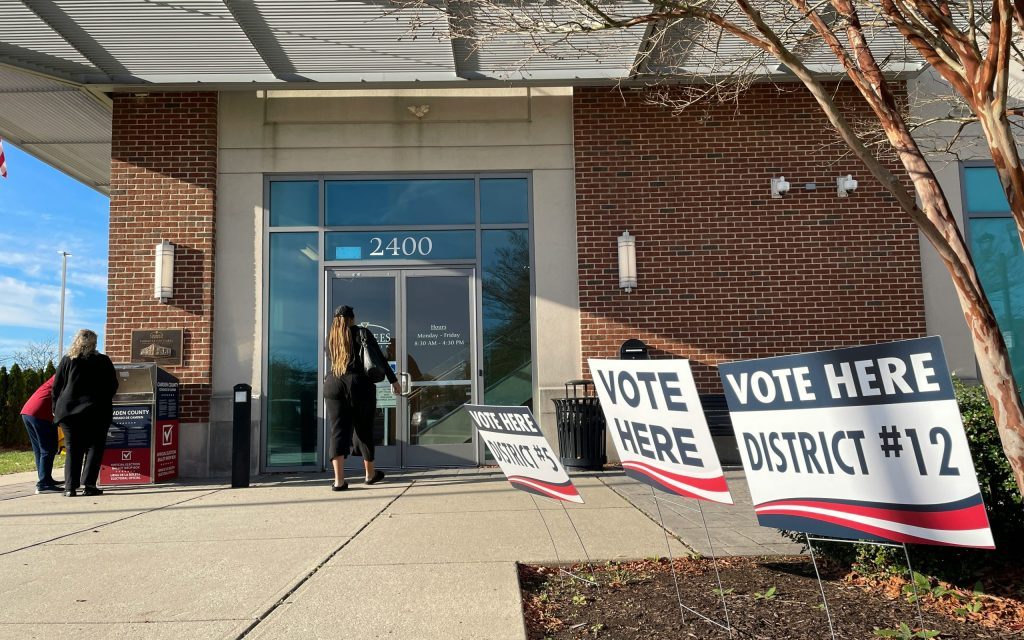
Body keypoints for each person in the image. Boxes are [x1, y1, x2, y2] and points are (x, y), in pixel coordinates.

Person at [325, 305, 401, 491]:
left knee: (338, 431)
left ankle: (339, 481)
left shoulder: (331, 338)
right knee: (364, 428)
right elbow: (379, 359)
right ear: (352, 318)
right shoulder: (362, 333)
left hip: (333, 383)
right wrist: (394, 380)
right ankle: (369, 475)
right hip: (359, 383)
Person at [52, 329, 118, 497]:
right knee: (94, 448)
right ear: (95, 343)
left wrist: (55, 408)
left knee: (73, 448)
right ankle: (89, 485)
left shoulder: (67, 360)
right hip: (97, 411)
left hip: (69, 412)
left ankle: (70, 488)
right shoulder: (103, 361)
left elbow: (57, 387)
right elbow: (113, 386)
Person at [20, 375, 62, 494]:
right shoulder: (67, 376)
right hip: (40, 413)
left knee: (40, 449)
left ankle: (45, 479)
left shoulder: (60, 375)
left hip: (28, 412)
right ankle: (43, 484)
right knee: (48, 449)